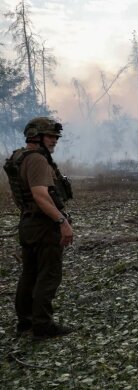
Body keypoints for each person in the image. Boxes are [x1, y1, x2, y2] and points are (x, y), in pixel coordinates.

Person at [2, 117, 74, 339]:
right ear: (37, 136)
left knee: (30, 273)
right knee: (49, 274)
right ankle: (42, 325)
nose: (55, 141)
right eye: (51, 136)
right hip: (44, 225)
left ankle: (25, 322)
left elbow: (16, 193)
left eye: (55, 137)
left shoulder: (18, 157)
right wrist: (62, 222)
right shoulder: (37, 160)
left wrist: (27, 212)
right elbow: (41, 195)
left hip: (29, 222)